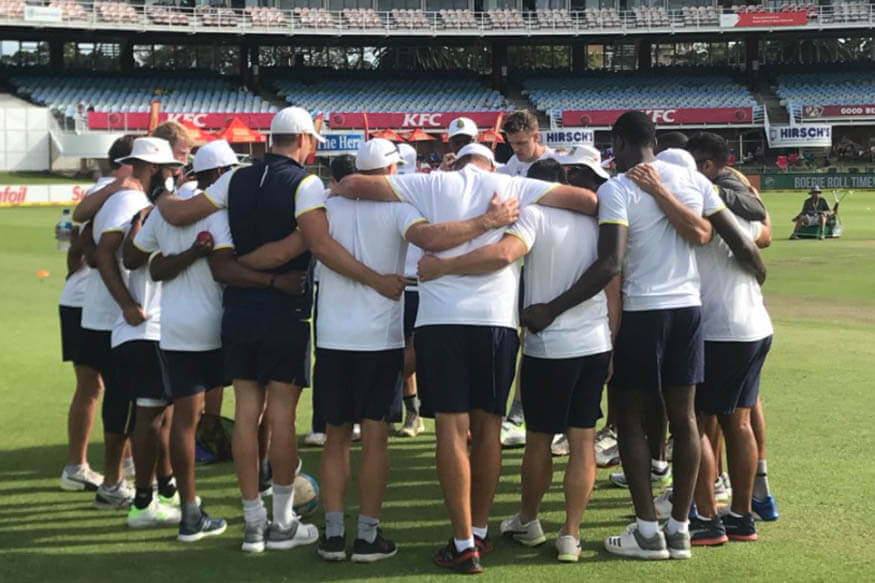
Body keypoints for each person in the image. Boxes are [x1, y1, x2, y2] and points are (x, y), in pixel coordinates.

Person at [332, 142, 598, 574]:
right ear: (490, 163)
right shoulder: (513, 185)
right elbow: (587, 200)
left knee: (451, 430)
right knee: (488, 429)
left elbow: (351, 185)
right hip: (496, 321)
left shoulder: (429, 183)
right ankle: (478, 531)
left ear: (456, 161)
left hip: (440, 320)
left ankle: (462, 542)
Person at [519, 111, 764, 560]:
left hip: (642, 312)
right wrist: (759, 270)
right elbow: (730, 235)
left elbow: (610, 263)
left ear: (620, 141)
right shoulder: (694, 180)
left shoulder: (618, 188)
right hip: (688, 310)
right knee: (685, 418)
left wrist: (550, 308)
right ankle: (681, 528)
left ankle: (648, 530)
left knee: (631, 419)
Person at [154, 107, 400, 553]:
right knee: (281, 415)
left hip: (238, 310)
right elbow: (313, 245)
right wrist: (375, 279)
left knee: (247, 410)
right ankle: (282, 521)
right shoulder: (305, 184)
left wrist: (161, 194)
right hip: (285, 310)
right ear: (304, 140)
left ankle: (253, 523)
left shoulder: (234, 178)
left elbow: (179, 213)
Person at [315, 139, 520, 563]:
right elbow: (433, 239)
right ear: (392, 171)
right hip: (380, 335)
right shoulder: (400, 207)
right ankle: (368, 537)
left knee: (336, 438)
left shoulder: (325, 205)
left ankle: (333, 536)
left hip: (332, 335)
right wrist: (488, 220)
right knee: (375, 438)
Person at [415, 155, 618, 564]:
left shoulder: (533, 215)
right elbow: (612, 280)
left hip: (549, 343)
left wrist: (443, 266)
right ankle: (571, 534)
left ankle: (528, 519)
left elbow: (503, 254)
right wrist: (612, 339)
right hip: (595, 340)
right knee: (582, 438)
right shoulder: (602, 220)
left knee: (539, 439)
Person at [129, 139, 239, 542]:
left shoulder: (164, 211)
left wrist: (170, 257)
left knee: (182, 421)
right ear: (220, 175)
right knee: (254, 408)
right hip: (220, 327)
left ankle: (188, 509)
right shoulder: (223, 213)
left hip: (175, 328)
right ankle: (264, 500)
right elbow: (227, 268)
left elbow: (137, 260)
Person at [683, 142, 774, 546]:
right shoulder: (736, 211)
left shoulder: (694, 211)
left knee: (697, 421)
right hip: (754, 325)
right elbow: (764, 233)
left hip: (717, 329)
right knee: (738, 422)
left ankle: (706, 518)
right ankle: (741, 516)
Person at [94, 137, 185, 528]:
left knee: (160, 415)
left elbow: (95, 247)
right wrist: (127, 304)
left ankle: (165, 491)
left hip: (152, 327)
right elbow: (104, 253)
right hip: (146, 327)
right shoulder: (138, 205)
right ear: (156, 169)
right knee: (149, 417)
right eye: (171, 168)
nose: (176, 174)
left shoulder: (140, 203)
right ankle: (144, 503)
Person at [59, 135, 135, 493]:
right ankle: (78, 466)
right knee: (96, 385)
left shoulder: (111, 190)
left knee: (102, 385)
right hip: (86, 302)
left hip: (87, 299)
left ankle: (117, 460)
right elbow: (83, 245)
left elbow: (76, 250)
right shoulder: (111, 190)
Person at [396, 142, 425, 437]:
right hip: (394, 285)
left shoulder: (426, 196)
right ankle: (412, 413)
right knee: (401, 349)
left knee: (419, 351)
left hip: (423, 285)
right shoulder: (384, 196)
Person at [497, 109, 554, 177]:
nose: (515, 149)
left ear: (536, 137)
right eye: (511, 143)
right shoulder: (513, 162)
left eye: (521, 143)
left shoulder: (556, 161)